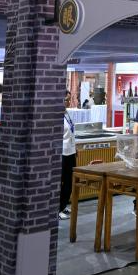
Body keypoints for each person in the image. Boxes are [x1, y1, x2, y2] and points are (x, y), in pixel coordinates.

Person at [58, 92, 76, 220]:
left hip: (71, 151)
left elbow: (71, 133)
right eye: (66, 100)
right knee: (61, 181)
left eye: (69, 100)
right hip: (62, 153)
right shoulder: (56, 116)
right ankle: (57, 209)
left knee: (69, 181)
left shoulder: (67, 113)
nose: (68, 102)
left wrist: (75, 147)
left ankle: (63, 205)